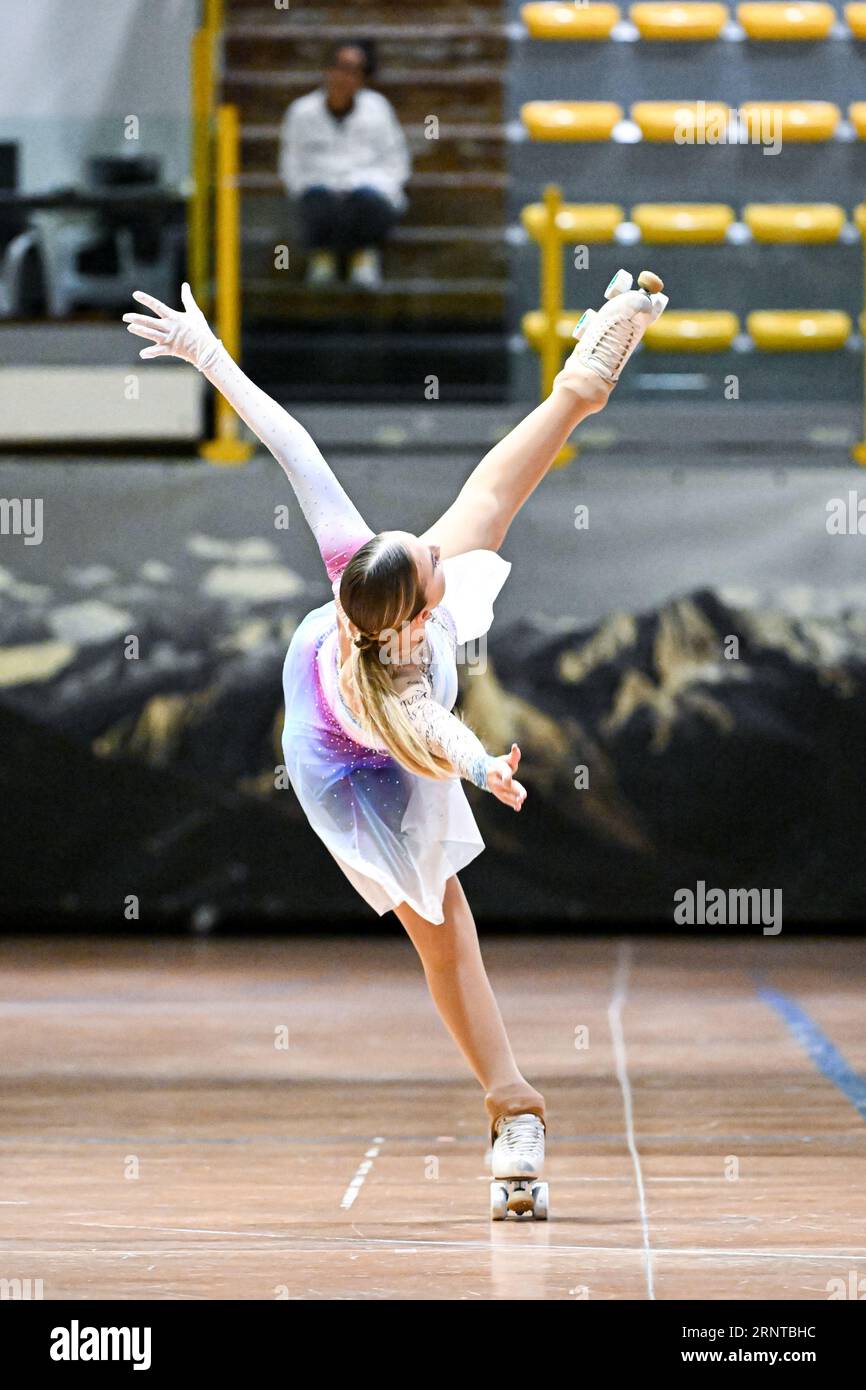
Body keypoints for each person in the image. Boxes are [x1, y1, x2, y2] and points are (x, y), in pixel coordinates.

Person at [122, 269, 668, 1216]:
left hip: (373, 665)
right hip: (349, 768)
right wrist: (483, 769)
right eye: (429, 562)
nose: (431, 548)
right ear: (417, 613)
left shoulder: (360, 566)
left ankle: (584, 378)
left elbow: (290, 444)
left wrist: (207, 353)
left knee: (489, 497)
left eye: (412, 546)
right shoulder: (406, 678)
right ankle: (514, 1104)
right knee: (442, 931)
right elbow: (431, 727)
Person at [278, 39, 410, 290]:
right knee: (317, 200)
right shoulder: (301, 112)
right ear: (327, 70)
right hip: (320, 194)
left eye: (353, 70)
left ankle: (363, 258)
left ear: (362, 77)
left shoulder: (378, 109)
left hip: (368, 193)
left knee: (366, 201)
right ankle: (322, 259)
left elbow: (396, 163)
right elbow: (291, 166)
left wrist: (368, 188)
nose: (344, 77)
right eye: (339, 67)